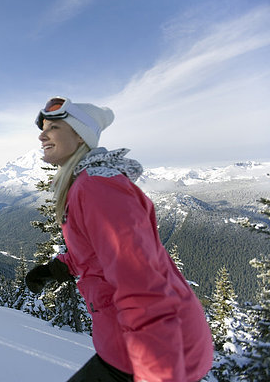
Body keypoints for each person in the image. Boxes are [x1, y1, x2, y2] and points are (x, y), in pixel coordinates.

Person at [25, 97, 213, 382]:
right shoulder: (85, 183)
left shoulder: (97, 187)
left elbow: (140, 282)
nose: (42, 135)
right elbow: (98, 252)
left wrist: (158, 373)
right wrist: (56, 268)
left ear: (79, 135)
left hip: (156, 355)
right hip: (127, 350)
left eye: (53, 127)